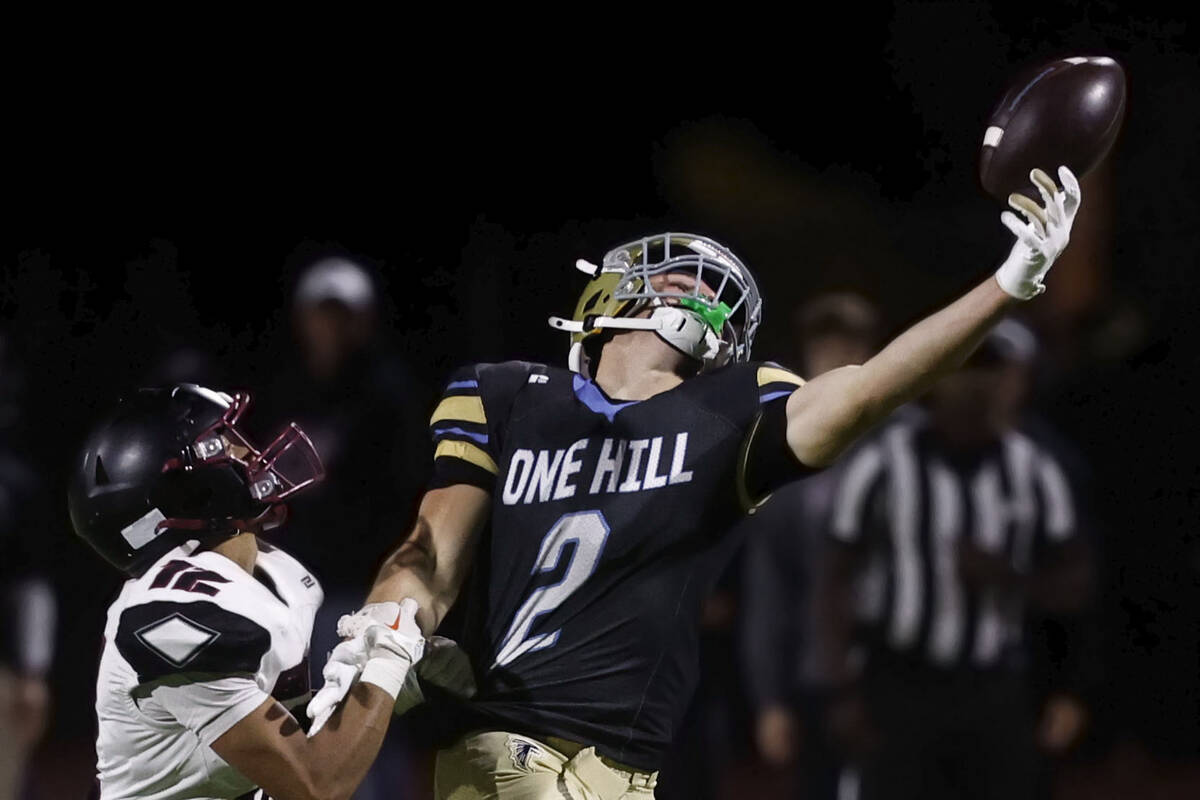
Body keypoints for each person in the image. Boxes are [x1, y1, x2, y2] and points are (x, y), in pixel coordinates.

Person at [311, 166, 1084, 799]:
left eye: (707, 289)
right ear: (606, 299)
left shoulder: (729, 413)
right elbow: (431, 551)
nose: (693, 287)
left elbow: (872, 387)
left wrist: (1007, 285)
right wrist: (387, 629)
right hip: (503, 741)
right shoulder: (506, 394)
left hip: (628, 768)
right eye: (676, 275)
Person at [68, 384, 428, 800]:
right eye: (219, 444)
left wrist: (380, 684)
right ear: (191, 490)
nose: (246, 454)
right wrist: (387, 660)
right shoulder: (169, 616)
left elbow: (293, 730)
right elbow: (316, 784)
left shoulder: (269, 571)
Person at [811, 319, 1094, 800]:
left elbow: (1078, 584)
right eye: (963, 369)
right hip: (899, 680)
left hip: (993, 685)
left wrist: (1010, 578)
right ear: (935, 379)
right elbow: (834, 580)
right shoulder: (883, 465)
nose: (974, 386)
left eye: (990, 372)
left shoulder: (1034, 471)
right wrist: (840, 688)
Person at [737, 293, 884, 800]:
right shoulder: (784, 450)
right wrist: (770, 698)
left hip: (898, 675)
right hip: (815, 679)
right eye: (824, 342)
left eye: (849, 340)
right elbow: (768, 587)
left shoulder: (908, 443)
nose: (836, 353)